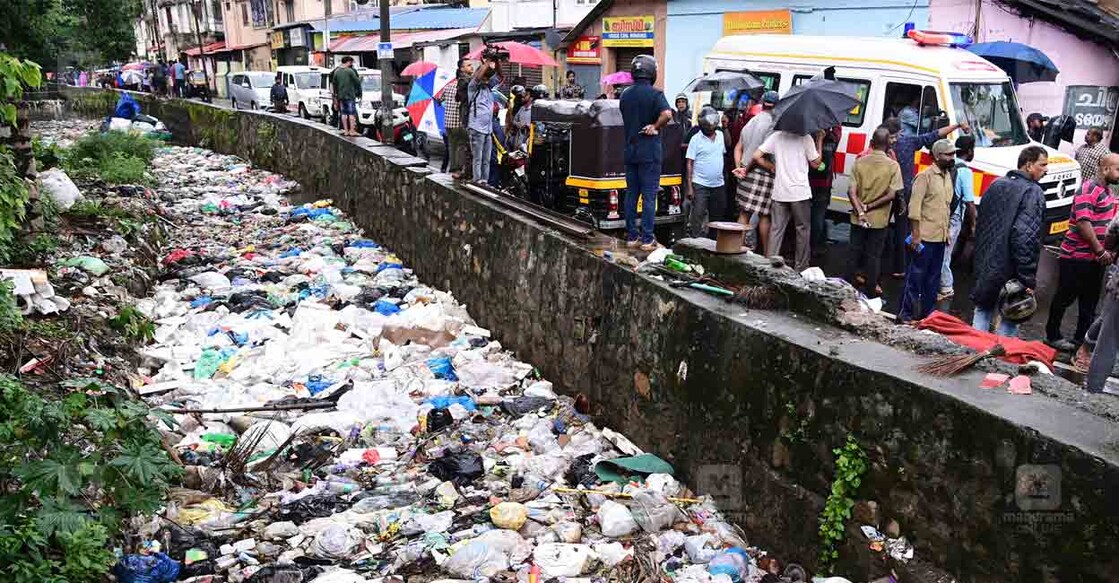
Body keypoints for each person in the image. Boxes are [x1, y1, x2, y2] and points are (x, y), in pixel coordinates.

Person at [970, 146, 1048, 336]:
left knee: (982, 310)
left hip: (987, 264)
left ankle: (971, 352)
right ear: (1029, 165)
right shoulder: (1033, 192)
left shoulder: (997, 184)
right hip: (1010, 270)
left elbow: (981, 226)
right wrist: (1027, 278)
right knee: (1012, 315)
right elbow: (1025, 239)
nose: (1046, 170)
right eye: (1042, 165)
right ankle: (999, 362)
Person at [1045, 153, 1119, 351]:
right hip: (1076, 257)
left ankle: (1081, 341)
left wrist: (1106, 252)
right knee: (1065, 297)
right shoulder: (1087, 189)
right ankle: (1052, 336)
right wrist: (1100, 250)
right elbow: (1083, 223)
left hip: (1096, 259)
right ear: (1105, 169)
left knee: (1089, 303)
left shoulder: (1108, 192)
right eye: (1118, 169)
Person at [881, 116, 970, 278]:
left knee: (880, 230)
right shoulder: (908, 142)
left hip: (884, 194)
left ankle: (877, 266)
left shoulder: (881, 145)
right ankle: (900, 267)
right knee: (902, 231)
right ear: (900, 132)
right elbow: (934, 135)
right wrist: (956, 125)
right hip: (903, 194)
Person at [899, 139, 957, 323]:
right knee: (914, 279)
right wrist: (916, 235)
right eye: (949, 154)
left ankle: (928, 316)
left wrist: (946, 231)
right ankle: (905, 314)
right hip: (923, 238)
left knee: (932, 281)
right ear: (938, 156)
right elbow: (914, 209)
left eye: (953, 154)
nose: (952, 157)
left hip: (939, 238)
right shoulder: (925, 177)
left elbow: (945, 207)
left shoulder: (948, 176)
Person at [619, 54, 672, 250]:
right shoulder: (656, 94)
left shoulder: (625, 94)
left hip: (630, 151)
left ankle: (632, 236)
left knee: (632, 194)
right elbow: (667, 114)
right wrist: (655, 126)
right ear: (652, 72)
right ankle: (648, 239)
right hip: (649, 153)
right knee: (649, 196)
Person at [845, 127, 903, 299]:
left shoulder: (859, 162)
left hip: (858, 218)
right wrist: (870, 207)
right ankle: (870, 292)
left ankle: (845, 289)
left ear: (871, 143)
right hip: (879, 221)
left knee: (853, 253)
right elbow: (892, 195)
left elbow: (851, 192)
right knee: (873, 257)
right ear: (888, 146)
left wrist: (860, 210)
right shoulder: (893, 166)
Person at [754, 128, 823, 271]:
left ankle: (770, 267)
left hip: (780, 191)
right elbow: (816, 163)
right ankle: (801, 268)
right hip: (799, 193)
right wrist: (820, 139)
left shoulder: (777, 136)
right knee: (802, 230)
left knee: (776, 229)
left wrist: (772, 167)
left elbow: (756, 156)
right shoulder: (806, 137)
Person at [732, 90, 779, 254]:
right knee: (765, 216)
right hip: (761, 174)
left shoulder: (751, 122)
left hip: (745, 174)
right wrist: (749, 168)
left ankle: (734, 248)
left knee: (744, 213)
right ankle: (766, 255)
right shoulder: (772, 125)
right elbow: (758, 155)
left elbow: (738, 147)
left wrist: (740, 167)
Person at [939, 135, 977, 300]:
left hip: (941, 213)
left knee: (941, 250)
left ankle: (939, 284)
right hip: (954, 217)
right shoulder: (965, 171)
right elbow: (969, 202)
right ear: (969, 151)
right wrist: (973, 225)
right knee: (945, 253)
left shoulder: (948, 165)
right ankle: (947, 287)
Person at [685, 106, 725, 238]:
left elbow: (726, 149)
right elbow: (689, 163)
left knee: (717, 217)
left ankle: (713, 242)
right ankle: (696, 241)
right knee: (698, 215)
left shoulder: (720, 136)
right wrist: (690, 187)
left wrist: (725, 127)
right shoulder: (695, 139)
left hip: (718, 184)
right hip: (700, 184)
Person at [467, 57, 503, 185]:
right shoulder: (473, 87)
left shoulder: (488, 88)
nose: (487, 79)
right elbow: (477, 77)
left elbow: (500, 77)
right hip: (476, 127)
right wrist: (487, 62)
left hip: (488, 129)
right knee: (478, 157)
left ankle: (484, 181)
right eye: (485, 77)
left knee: (486, 158)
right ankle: (477, 181)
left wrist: (497, 61)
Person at [808, 124, 842, 257]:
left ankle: (802, 245)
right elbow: (838, 130)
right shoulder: (833, 136)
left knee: (805, 216)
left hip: (808, 180)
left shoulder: (809, 132)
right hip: (824, 183)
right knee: (818, 215)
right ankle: (814, 247)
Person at [438, 58, 472, 176]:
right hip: (459, 122)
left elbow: (439, 100)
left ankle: (453, 170)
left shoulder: (448, 86)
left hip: (448, 123)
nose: (471, 67)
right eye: (469, 65)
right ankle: (459, 170)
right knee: (462, 146)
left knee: (452, 147)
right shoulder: (465, 86)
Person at [333, 56, 362, 137]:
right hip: (350, 95)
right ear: (348, 62)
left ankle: (346, 131)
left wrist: (336, 95)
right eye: (351, 62)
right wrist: (359, 93)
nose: (351, 64)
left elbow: (334, 84)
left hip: (340, 96)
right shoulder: (350, 71)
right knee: (351, 113)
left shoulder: (337, 71)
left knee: (343, 113)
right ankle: (352, 130)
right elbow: (357, 82)